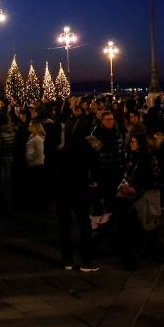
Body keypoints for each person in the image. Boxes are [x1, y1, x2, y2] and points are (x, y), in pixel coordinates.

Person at [52, 114, 98, 273]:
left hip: (63, 189)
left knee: (64, 224)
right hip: (78, 189)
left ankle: (68, 259)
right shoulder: (86, 146)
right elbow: (94, 166)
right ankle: (86, 258)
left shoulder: (62, 147)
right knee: (84, 224)